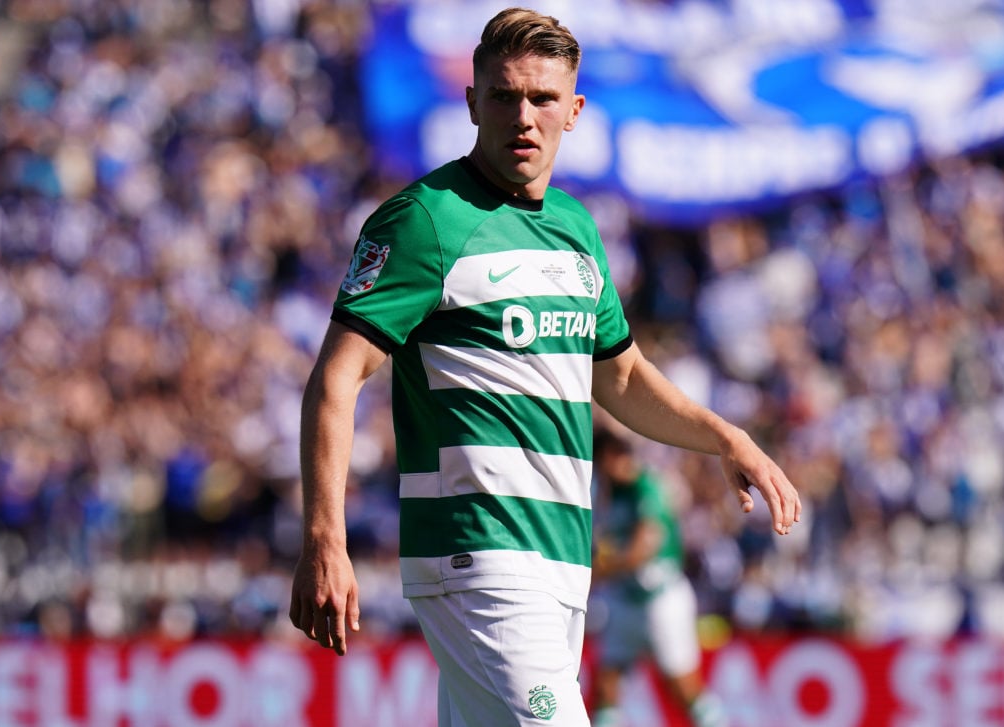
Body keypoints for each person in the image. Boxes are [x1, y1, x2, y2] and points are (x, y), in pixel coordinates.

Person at [289, 7, 800, 726]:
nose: (522, 116)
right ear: (471, 102)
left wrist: (727, 436)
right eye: (503, 96)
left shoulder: (576, 228)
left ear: (575, 110)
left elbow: (620, 376)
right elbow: (336, 378)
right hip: (480, 557)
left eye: (542, 98)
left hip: (561, 564)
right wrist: (324, 538)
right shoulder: (425, 221)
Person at [589, 426, 727, 727]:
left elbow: (641, 552)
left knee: (682, 688)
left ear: (610, 458)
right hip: (625, 599)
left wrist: (593, 573)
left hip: (661, 600)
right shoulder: (608, 495)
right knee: (605, 685)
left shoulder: (647, 488)